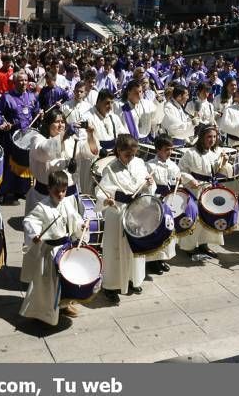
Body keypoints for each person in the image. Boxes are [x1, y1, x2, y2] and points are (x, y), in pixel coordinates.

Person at [20, 170, 86, 326]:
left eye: (63, 191)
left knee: (65, 281)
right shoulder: (42, 207)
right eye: (57, 191)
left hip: (64, 249)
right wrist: (35, 234)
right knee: (47, 285)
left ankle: (63, 305)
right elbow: (30, 221)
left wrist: (80, 225)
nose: (61, 194)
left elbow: (74, 218)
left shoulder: (66, 203)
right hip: (50, 252)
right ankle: (43, 313)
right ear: (49, 189)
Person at [95, 134, 155, 304]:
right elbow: (101, 191)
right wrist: (106, 199)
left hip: (137, 211)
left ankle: (133, 278)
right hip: (118, 212)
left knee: (135, 247)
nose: (131, 158)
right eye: (127, 154)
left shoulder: (139, 163)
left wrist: (150, 183)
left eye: (134, 154)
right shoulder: (110, 168)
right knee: (115, 249)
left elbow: (147, 185)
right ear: (118, 151)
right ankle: (111, 286)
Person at [25, 109, 98, 215]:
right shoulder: (37, 139)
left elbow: (90, 151)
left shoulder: (71, 140)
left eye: (63, 122)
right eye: (57, 122)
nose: (61, 125)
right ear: (48, 124)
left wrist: (90, 134)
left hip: (69, 198)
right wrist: (64, 135)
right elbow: (44, 151)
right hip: (44, 198)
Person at [177, 123, 233, 257]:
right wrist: (190, 179)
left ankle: (204, 244)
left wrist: (225, 163)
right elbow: (181, 170)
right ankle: (188, 246)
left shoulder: (217, 152)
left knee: (208, 218)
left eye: (214, 137)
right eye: (209, 137)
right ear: (202, 137)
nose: (212, 140)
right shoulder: (191, 153)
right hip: (195, 190)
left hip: (210, 190)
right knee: (195, 218)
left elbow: (225, 172)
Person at [0, 70, 40, 204]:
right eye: (20, 80)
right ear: (14, 82)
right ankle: (7, 192)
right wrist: (2, 124)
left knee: (26, 165)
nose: (24, 83)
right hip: (11, 138)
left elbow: (36, 111)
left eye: (25, 80)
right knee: (11, 165)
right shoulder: (6, 97)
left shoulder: (32, 96)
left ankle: (23, 190)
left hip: (27, 138)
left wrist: (40, 114)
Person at [145, 134, 188, 275]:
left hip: (169, 200)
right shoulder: (150, 165)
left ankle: (162, 259)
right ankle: (152, 261)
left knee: (167, 230)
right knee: (155, 231)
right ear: (158, 150)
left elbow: (176, 181)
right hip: (156, 200)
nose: (169, 152)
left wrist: (179, 181)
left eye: (171, 149)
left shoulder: (173, 165)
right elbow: (148, 185)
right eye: (166, 149)